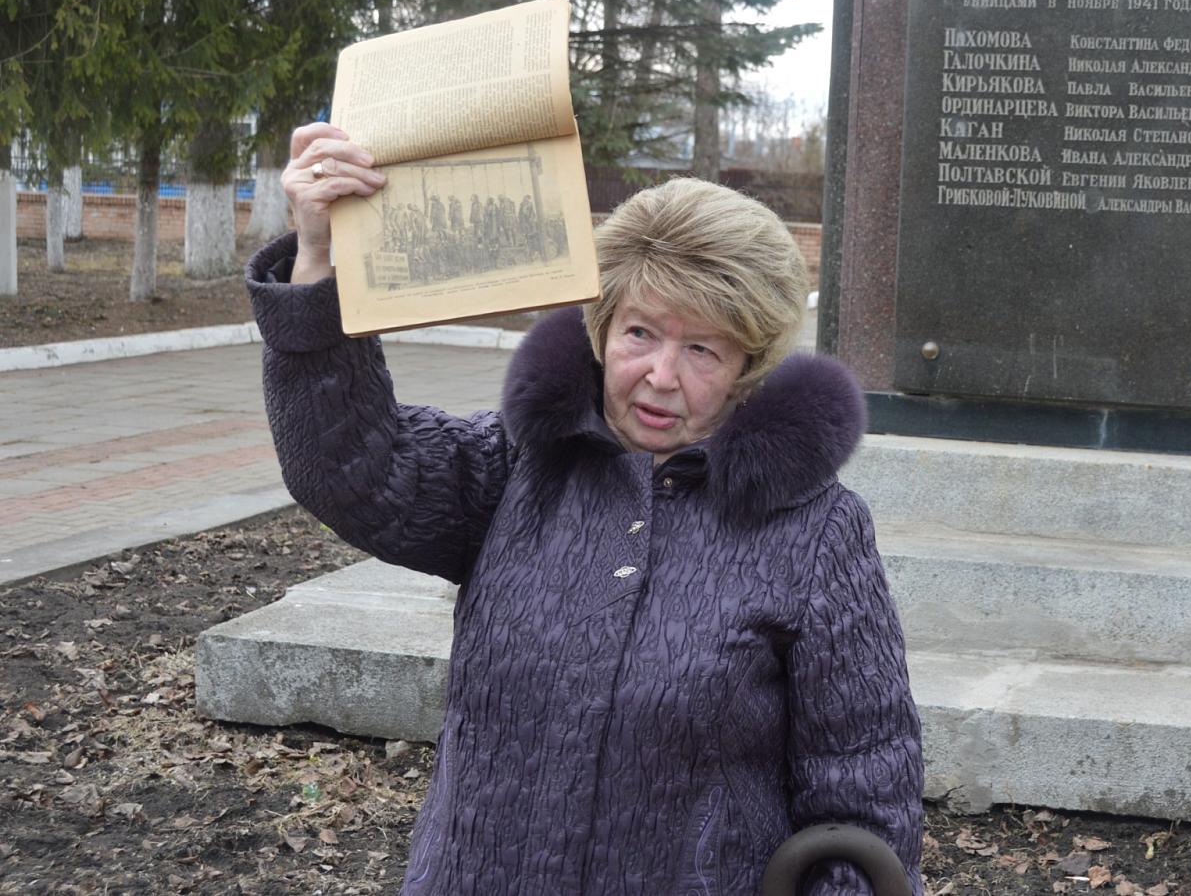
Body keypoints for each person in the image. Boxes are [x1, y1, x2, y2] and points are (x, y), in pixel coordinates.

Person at [252, 122, 924, 894]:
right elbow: (350, 469)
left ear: (748, 367)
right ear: (602, 330)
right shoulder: (516, 463)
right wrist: (317, 263)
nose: (661, 376)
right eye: (640, 332)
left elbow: (863, 788)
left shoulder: (814, 530)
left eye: (703, 349)